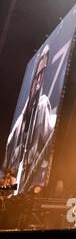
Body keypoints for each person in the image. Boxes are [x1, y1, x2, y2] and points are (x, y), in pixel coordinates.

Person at [3, 45, 55, 194]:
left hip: (30, 187)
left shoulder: (43, 104)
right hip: (12, 190)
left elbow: (48, 135)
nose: (38, 82)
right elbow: (7, 168)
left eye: (42, 75)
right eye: (37, 75)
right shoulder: (16, 128)